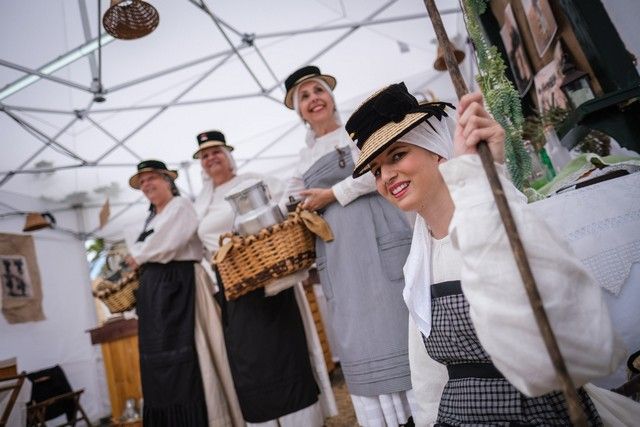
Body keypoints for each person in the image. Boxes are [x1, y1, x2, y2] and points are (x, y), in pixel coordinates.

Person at [345, 82, 640, 425]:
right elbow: (429, 376)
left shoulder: (495, 224)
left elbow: (563, 350)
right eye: (377, 169)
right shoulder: (421, 261)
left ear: (437, 150)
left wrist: (483, 178)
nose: (386, 177)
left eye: (397, 155)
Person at [282, 66, 415, 426]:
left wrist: (333, 193)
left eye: (317, 91)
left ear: (331, 95)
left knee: (397, 322)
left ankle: (423, 411)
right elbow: (288, 201)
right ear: (299, 110)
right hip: (338, 256)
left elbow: (382, 168)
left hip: (379, 237)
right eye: (304, 97)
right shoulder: (302, 159)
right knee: (360, 337)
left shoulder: (357, 131)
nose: (313, 99)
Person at [193, 130, 336, 427]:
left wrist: (259, 235)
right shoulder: (200, 203)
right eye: (205, 155)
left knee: (285, 353)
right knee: (249, 362)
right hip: (233, 290)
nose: (211, 158)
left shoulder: (253, 180)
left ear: (229, 154)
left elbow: (287, 200)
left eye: (216, 151)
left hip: (270, 278)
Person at [125, 159, 244, 426]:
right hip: (155, 293)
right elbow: (149, 249)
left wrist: (137, 255)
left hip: (181, 286)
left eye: (151, 178)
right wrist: (139, 258)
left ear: (167, 181)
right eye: (142, 182)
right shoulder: (151, 218)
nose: (146, 185)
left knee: (193, 352)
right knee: (159, 359)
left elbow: (167, 244)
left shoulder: (180, 206)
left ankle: (208, 418)